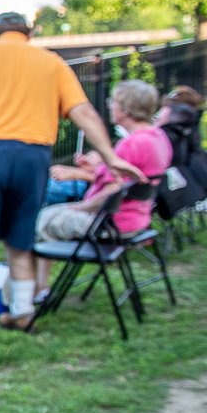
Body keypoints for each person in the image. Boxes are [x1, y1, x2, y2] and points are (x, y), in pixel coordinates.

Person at [0, 11, 146, 340]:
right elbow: (82, 111)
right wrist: (110, 158)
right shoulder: (51, 62)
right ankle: (23, 313)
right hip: (31, 154)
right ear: (29, 34)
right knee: (21, 237)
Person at [34, 80, 172, 298]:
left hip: (110, 222)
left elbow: (113, 190)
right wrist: (96, 169)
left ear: (125, 109)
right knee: (48, 217)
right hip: (137, 219)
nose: (110, 105)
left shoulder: (131, 144)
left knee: (35, 222)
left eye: (113, 101)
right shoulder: (158, 137)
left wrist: (81, 207)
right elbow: (128, 181)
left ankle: (33, 293)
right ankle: (39, 288)